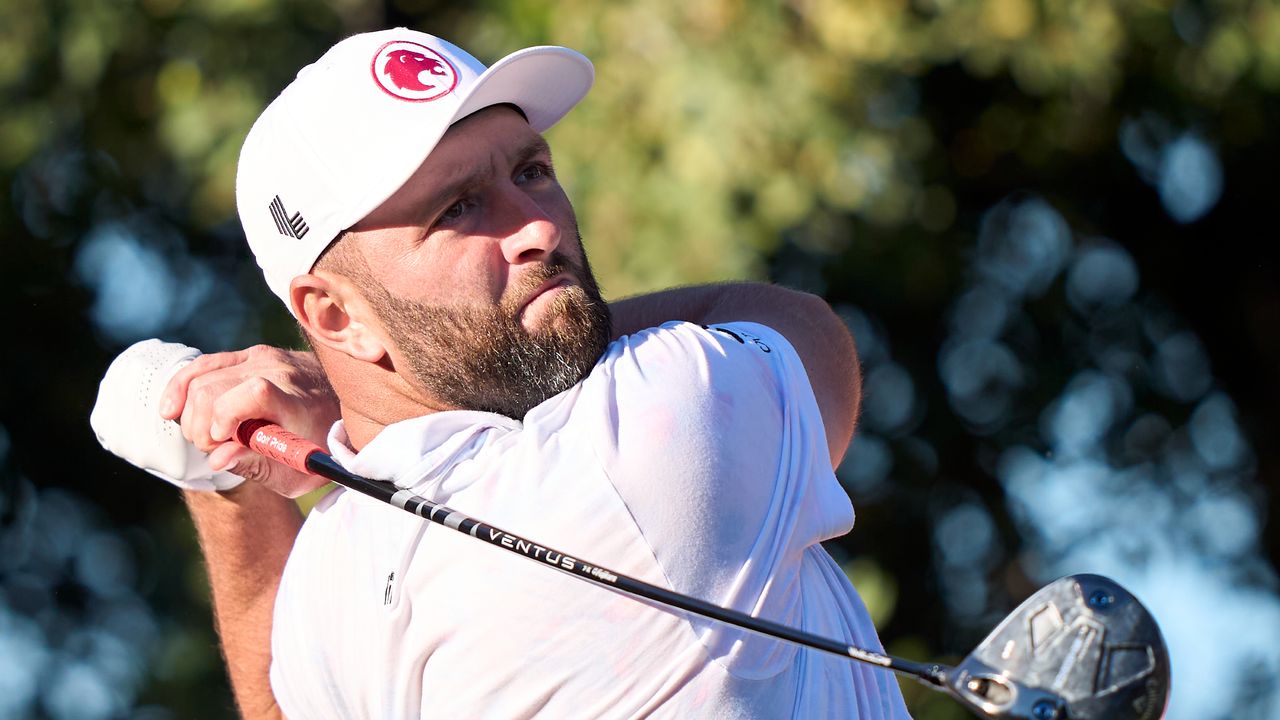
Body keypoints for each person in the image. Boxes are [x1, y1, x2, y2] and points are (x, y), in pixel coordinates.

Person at [95, 28, 912, 719]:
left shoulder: (327, 579)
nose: (537, 228)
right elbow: (796, 324)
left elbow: (278, 697)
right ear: (337, 316)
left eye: (530, 171)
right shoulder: (664, 414)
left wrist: (228, 480)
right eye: (458, 210)